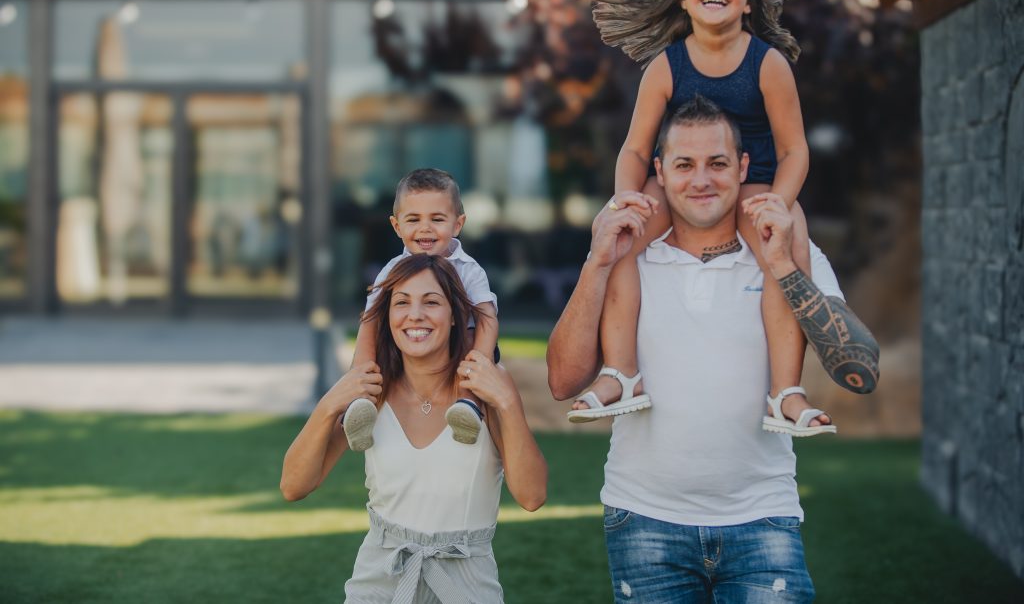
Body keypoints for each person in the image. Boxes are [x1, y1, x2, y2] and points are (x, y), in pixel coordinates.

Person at [547, 96, 879, 601]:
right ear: (659, 170)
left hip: (763, 516)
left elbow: (861, 368)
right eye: (684, 164)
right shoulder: (626, 254)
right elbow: (563, 381)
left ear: (743, 167)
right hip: (643, 521)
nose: (701, 179)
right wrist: (596, 262)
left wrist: (784, 266)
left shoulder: (783, 245)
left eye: (717, 163)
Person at [570, 0, 871, 434]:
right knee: (621, 237)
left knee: (782, 248)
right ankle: (621, 373)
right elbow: (637, 150)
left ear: (749, 0)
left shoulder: (768, 64)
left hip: (756, 181)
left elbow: (796, 149)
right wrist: (629, 199)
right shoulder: (665, 66)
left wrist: (781, 203)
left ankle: (785, 393)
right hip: (683, 180)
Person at [282, 254, 547, 603]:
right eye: (402, 303)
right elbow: (294, 486)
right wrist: (330, 404)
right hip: (379, 583)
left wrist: (508, 406)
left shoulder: (486, 388)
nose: (415, 315)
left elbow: (532, 496)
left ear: (454, 316)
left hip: (466, 587)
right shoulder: (370, 392)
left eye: (431, 302)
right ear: (387, 316)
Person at [343, 169, 499, 450]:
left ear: (458, 224)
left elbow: (487, 318)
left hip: (463, 345)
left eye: (437, 219)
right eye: (413, 219)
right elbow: (370, 320)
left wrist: (480, 366)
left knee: (468, 343)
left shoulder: (470, 270)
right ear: (396, 226)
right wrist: (360, 374)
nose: (425, 228)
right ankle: (361, 407)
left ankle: (468, 405)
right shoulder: (392, 270)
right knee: (375, 334)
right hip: (412, 348)